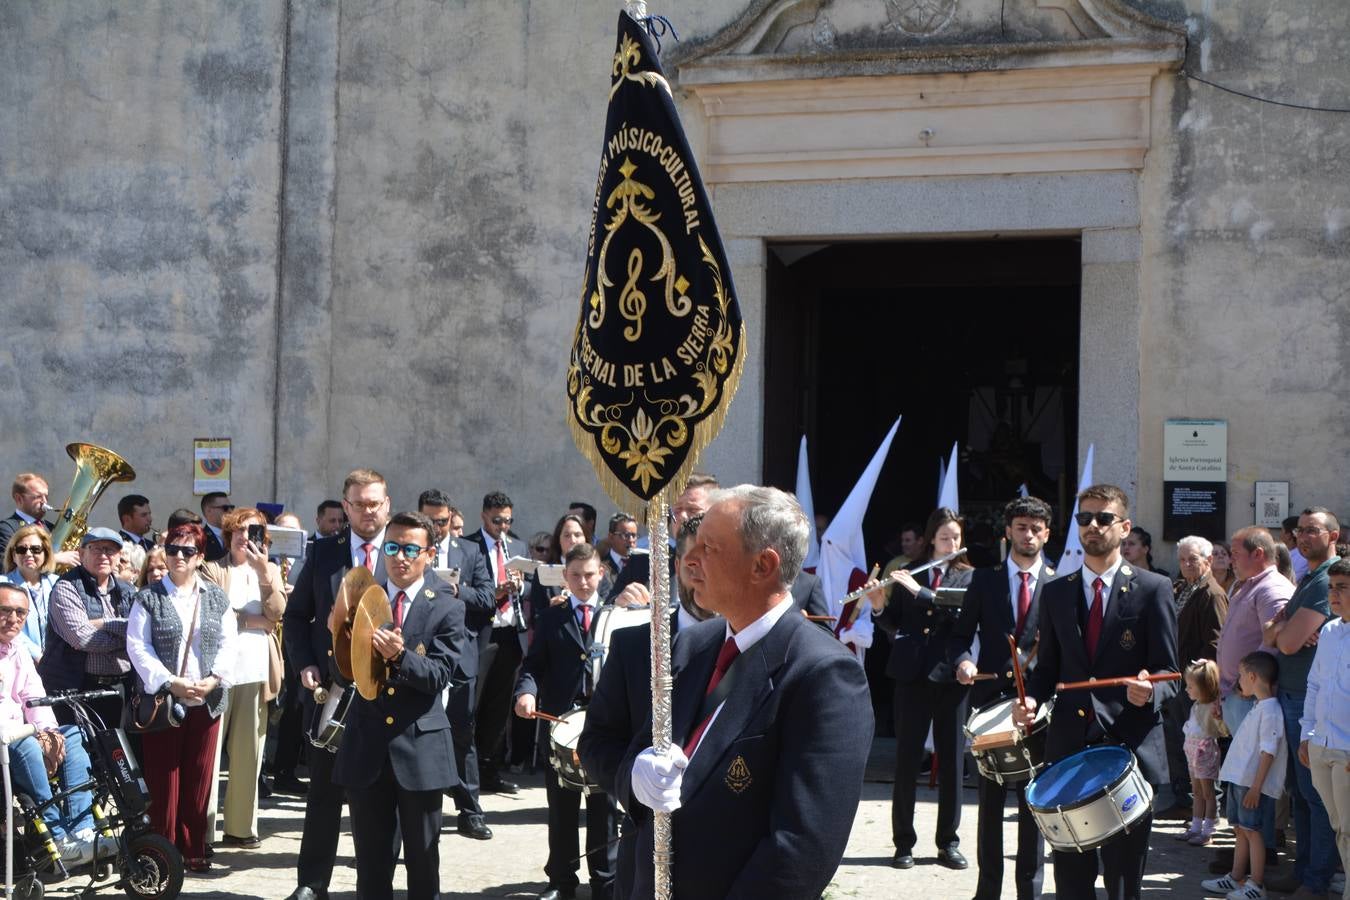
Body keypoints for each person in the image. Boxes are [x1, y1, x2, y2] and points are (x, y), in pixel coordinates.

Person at [617, 485, 872, 898]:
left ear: (762, 565)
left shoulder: (824, 675)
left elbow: (800, 849)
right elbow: (641, 752)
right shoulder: (695, 644)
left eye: (709, 547)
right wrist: (635, 778)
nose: (690, 559)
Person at [1015, 483, 1179, 900]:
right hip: (1069, 748)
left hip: (1129, 748)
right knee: (1071, 878)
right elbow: (1046, 668)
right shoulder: (1055, 592)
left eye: (1103, 518)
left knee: (1123, 881)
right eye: (1084, 518)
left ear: (1124, 527)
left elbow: (1170, 673)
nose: (1092, 526)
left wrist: (1149, 691)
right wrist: (1031, 698)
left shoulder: (1152, 588)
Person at [577, 514, 712, 900]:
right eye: (692, 563)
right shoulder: (635, 645)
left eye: (715, 561)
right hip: (645, 851)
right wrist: (634, 778)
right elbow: (596, 743)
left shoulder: (758, 649)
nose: (703, 574)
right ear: (675, 566)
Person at [333, 510, 465, 900]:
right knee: (371, 868)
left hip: (419, 750)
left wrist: (402, 657)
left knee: (423, 867)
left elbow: (441, 675)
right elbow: (345, 676)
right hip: (367, 746)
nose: (400, 557)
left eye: (410, 548)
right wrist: (340, 640)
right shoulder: (362, 599)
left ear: (429, 554)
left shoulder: (446, 605)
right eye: (392, 547)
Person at [283, 467, 391, 900]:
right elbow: (295, 617)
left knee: (381, 797)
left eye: (375, 503)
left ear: (387, 503)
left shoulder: (403, 552)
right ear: (345, 507)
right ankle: (311, 884)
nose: (368, 511)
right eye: (359, 504)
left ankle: (375, 887)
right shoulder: (324, 553)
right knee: (324, 795)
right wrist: (304, 663)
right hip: (332, 692)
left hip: (385, 694)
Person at [951, 495, 1056, 900]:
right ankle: (987, 892)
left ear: (1046, 535)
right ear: (1008, 532)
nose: (1028, 535)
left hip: (1037, 707)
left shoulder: (1060, 583)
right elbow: (961, 637)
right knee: (990, 806)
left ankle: (1028, 891)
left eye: (1035, 528)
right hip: (989, 704)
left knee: (1034, 805)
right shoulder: (985, 579)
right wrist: (962, 662)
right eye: (1021, 527)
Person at [126, 521, 238, 873]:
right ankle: (163, 853)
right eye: (172, 549)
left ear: (200, 556)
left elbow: (228, 643)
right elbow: (138, 647)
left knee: (200, 778)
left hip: (206, 699)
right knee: (164, 779)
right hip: (164, 702)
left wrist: (213, 679)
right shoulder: (148, 597)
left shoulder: (216, 597)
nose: (178, 556)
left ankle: (193, 850)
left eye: (187, 551)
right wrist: (168, 681)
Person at [869, 507, 973, 871]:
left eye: (957, 538)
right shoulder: (909, 572)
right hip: (911, 675)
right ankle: (903, 843)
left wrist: (923, 592)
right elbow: (894, 623)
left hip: (951, 678)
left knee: (952, 761)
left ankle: (948, 842)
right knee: (906, 760)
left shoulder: (969, 577)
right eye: (945, 538)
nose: (952, 544)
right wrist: (879, 607)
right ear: (932, 539)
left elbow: (961, 618)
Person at [514, 543, 619, 900]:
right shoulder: (551, 617)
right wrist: (525, 693)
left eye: (590, 575)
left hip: (606, 726)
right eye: (575, 576)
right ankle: (561, 880)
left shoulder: (615, 615)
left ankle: (606, 880)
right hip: (561, 724)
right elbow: (533, 666)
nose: (584, 582)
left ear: (601, 573)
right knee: (561, 809)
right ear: (565, 577)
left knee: (603, 808)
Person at [0, 582, 117, 867]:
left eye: (20, 613)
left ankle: (83, 830)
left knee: (73, 734)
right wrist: (31, 734)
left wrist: (49, 733)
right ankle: (58, 835)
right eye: (4, 611)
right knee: (24, 743)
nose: (13, 619)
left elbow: (35, 697)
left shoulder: (18, 650)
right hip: (8, 737)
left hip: (23, 732)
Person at [199, 507, 286, 849]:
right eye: (238, 530)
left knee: (250, 752)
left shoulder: (270, 570)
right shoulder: (212, 568)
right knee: (210, 752)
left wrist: (265, 574)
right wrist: (256, 621)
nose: (244, 537)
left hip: (255, 671)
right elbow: (213, 613)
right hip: (218, 672)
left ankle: (239, 828)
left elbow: (277, 613)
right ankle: (201, 830)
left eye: (253, 531)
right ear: (228, 534)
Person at [1264, 507, 1339, 898]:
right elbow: (1273, 631)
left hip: (1310, 699)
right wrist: (1282, 627)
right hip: (1293, 693)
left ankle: (1316, 879)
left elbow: (1288, 641)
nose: (1304, 536)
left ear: (1334, 535)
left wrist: (1284, 629)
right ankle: (1304, 869)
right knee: (1300, 793)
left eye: (1313, 530)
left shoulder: (1329, 578)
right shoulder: (1308, 577)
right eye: (1300, 531)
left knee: (1316, 794)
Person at [417, 487, 497, 841]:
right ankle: (414, 814)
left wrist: (456, 590)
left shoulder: (471, 551)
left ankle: (469, 811)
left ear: (452, 519)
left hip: (459, 658)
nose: (437, 527)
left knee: (463, 735)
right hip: (418, 656)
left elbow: (487, 597)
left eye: (443, 521)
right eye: (431, 521)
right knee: (416, 733)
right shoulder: (410, 548)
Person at [1212, 526, 1292, 874]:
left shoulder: (1272, 587)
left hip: (1253, 700)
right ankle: (1244, 853)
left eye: (1236, 552)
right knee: (1239, 777)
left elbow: (1273, 643)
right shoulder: (1248, 584)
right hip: (1239, 694)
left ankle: (1260, 856)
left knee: (1250, 779)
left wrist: (1248, 682)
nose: (1230, 558)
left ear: (1258, 554)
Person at [1202, 652, 1287, 900]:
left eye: (1241, 676)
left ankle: (1256, 884)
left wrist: (1256, 787)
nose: (1238, 681)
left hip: (1251, 784)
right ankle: (1236, 876)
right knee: (1240, 829)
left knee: (1253, 831)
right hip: (1240, 780)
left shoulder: (1271, 711)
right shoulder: (1259, 706)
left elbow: (1268, 752)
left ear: (1252, 676)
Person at [39, 527, 137, 730]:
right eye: (96, 549)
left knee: (121, 756)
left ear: (119, 557)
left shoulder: (128, 591)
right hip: (78, 690)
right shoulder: (66, 587)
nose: (103, 555)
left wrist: (103, 624)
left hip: (122, 689)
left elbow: (141, 634)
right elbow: (82, 639)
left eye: (110, 550)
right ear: (81, 553)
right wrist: (125, 637)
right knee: (85, 757)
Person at [466, 490, 527, 796]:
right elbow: (467, 591)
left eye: (507, 520)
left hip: (510, 634)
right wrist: (496, 592)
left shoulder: (516, 545)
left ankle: (490, 770)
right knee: (474, 704)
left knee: (499, 707)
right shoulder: (468, 546)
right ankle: (468, 774)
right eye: (497, 520)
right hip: (483, 634)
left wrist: (521, 586)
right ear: (484, 516)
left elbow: (529, 591)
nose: (503, 526)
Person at [1164, 535, 1229, 815]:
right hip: (1178, 679)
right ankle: (1185, 800)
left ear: (1208, 560)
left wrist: (1201, 687)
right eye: (1182, 559)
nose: (1187, 565)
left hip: (1196, 684)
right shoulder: (1185, 588)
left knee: (1200, 749)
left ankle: (1201, 810)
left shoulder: (1211, 593)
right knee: (1181, 743)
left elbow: (1215, 644)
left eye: (1193, 559)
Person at [1300, 557, 1350, 900]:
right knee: (1339, 828)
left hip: (1347, 747)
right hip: (1321, 742)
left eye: (1342, 588)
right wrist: (1306, 735)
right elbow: (1315, 685)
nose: (1334, 595)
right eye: (1331, 588)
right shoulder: (1331, 630)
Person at [606, 473, 718, 601]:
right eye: (677, 510)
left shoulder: (729, 564)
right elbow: (606, 609)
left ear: (715, 513)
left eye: (692, 510)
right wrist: (620, 601)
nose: (682, 517)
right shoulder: (644, 565)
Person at [1176, 659, 1226, 846]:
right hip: (1192, 750)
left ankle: (1208, 831)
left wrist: (1219, 718)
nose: (1187, 689)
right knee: (1196, 791)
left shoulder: (1213, 706)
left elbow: (1222, 730)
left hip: (1204, 751)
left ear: (1204, 687)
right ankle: (1196, 827)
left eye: (1190, 686)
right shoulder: (1196, 704)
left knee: (1207, 793)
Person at [4, 524, 59, 662]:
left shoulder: (58, 583)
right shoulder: (2, 585)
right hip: (15, 661)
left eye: (36, 549)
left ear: (45, 553)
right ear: (14, 555)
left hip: (55, 664)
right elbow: (7, 626)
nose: (28, 554)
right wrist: (36, 655)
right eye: (22, 549)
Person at [0, 473, 78, 569]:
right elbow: (6, 565)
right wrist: (53, 559)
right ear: (19, 498)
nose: (44, 501)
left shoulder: (51, 527)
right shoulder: (6, 528)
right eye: (38, 497)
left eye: (46, 496)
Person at [603, 513, 639, 579]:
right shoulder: (600, 568)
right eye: (625, 535)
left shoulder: (642, 566)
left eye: (634, 536)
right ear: (611, 537)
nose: (631, 540)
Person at [199, 492, 233, 562]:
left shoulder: (235, 536)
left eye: (232, 507)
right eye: (225, 508)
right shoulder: (200, 538)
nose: (230, 511)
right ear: (209, 511)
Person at [1282, 516, 1311, 584]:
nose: (1280, 535)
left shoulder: (1302, 557)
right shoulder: (1288, 552)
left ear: (1289, 535)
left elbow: (1293, 579)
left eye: (1282, 530)